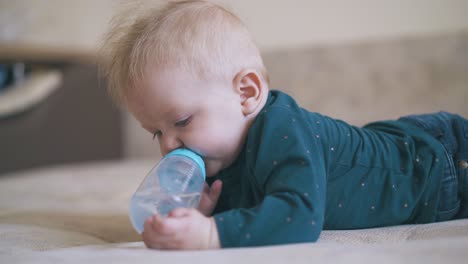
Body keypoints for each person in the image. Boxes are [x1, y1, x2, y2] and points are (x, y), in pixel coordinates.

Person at [100, 0, 468, 250]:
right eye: (157, 132)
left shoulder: (281, 129)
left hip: (442, 163)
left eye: (181, 121)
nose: (168, 145)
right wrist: (194, 216)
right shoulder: (219, 158)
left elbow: (299, 217)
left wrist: (212, 234)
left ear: (246, 94)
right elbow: (256, 214)